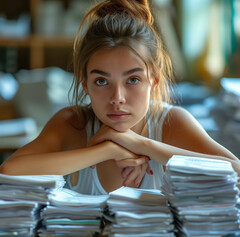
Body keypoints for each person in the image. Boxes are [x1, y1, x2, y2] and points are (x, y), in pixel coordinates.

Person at [0, 0, 239, 195]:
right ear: (85, 83)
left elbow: (236, 172)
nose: (117, 98)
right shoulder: (73, 124)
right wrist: (108, 150)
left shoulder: (170, 123)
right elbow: (9, 170)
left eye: (133, 80)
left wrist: (141, 144)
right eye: (101, 81)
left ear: (153, 80)